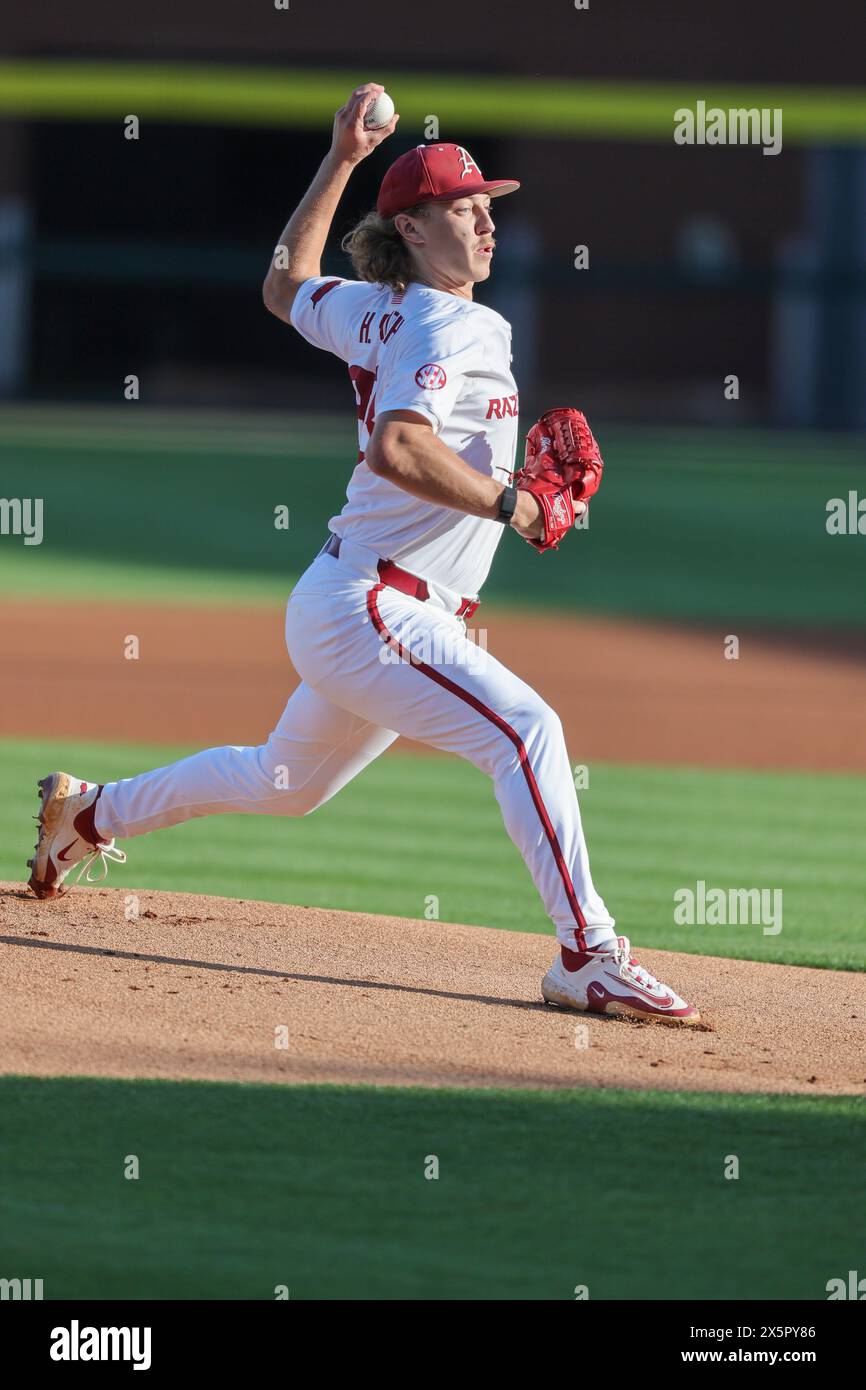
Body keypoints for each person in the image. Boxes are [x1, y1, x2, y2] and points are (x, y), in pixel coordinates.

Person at [27, 83, 699, 1025]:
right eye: (463, 209)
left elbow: (279, 283)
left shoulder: (377, 309)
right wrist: (514, 504)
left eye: (487, 206)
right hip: (377, 607)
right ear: (415, 230)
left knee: (283, 782)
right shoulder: (443, 322)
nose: (485, 222)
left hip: (354, 598)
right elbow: (396, 447)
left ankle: (89, 813)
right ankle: (588, 956)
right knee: (527, 731)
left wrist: (342, 154)